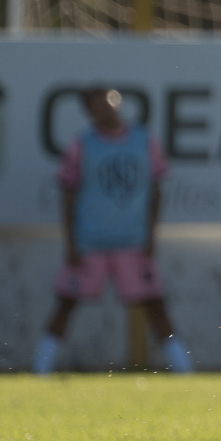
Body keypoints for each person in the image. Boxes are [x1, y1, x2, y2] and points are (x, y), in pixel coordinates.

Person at [33, 87, 193, 374]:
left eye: (107, 102)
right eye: (95, 106)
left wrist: (151, 236)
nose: (104, 109)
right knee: (66, 304)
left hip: (132, 241)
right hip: (91, 241)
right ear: (88, 112)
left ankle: (184, 370)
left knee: (155, 304)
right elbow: (68, 195)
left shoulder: (144, 142)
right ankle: (40, 369)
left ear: (117, 101)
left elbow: (155, 192)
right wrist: (70, 243)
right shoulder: (82, 146)